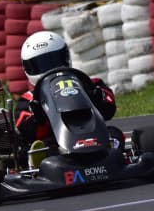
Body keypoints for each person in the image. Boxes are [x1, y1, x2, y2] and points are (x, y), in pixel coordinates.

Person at [14, 31, 117, 164]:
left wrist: (96, 96)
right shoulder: (28, 100)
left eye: (53, 60)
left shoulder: (90, 84)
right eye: (40, 64)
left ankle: (111, 155)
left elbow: (109, 110)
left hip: (94, 136)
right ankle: (40, 163)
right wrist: (37, 116)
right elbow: (26, 132)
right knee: (39, 148)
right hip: (57, 146)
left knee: (114, 134)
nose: (49, 68)